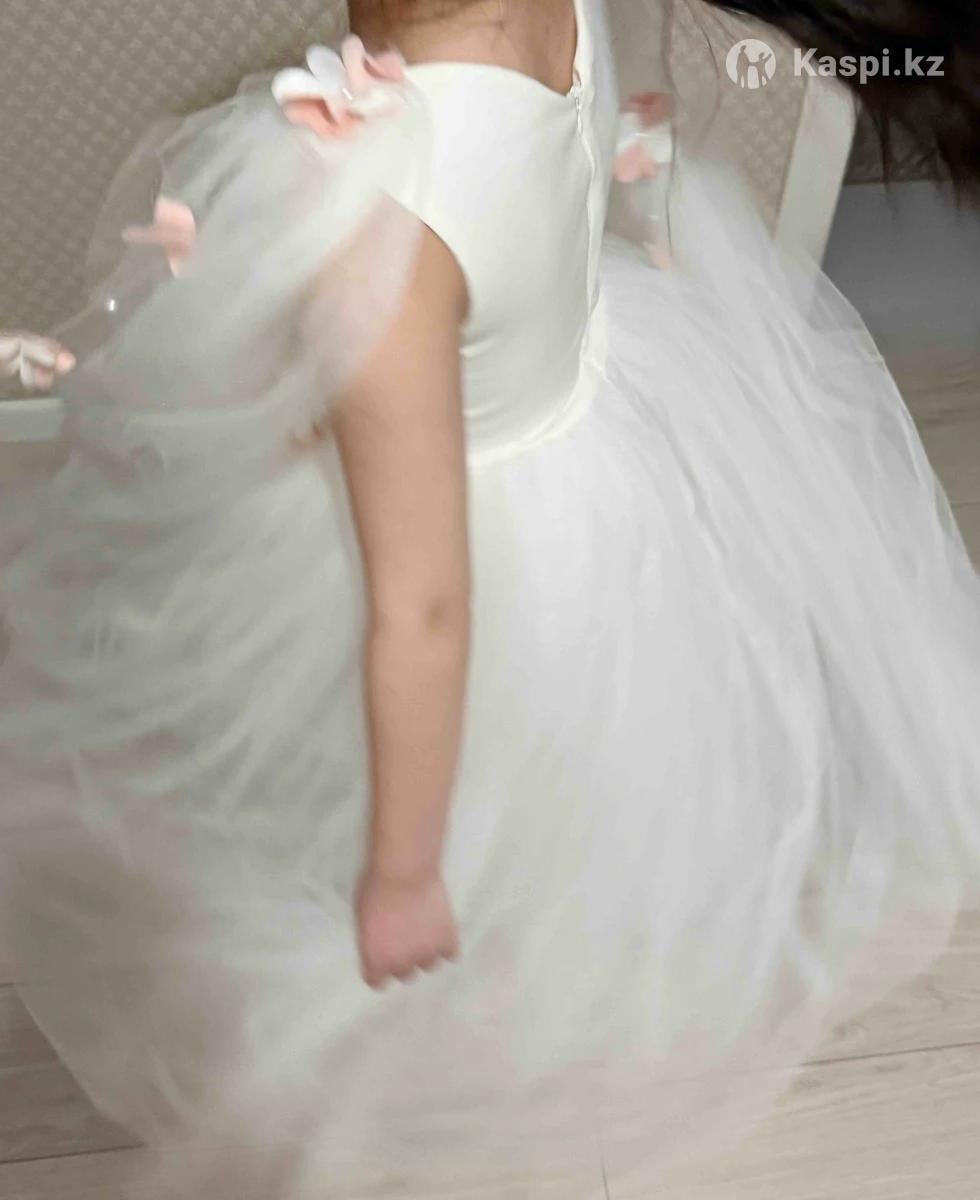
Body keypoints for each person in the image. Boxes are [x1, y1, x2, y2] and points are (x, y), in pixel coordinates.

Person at [1, 1, 979, 1196]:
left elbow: (422, 609)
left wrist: (401, 873)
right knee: (578, 767)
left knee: (451, 783)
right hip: (596, 444)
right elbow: (592, 150)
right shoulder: (562, 13)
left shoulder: (387, 225)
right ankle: (557, 934)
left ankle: (471, 952)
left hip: (472, 551)